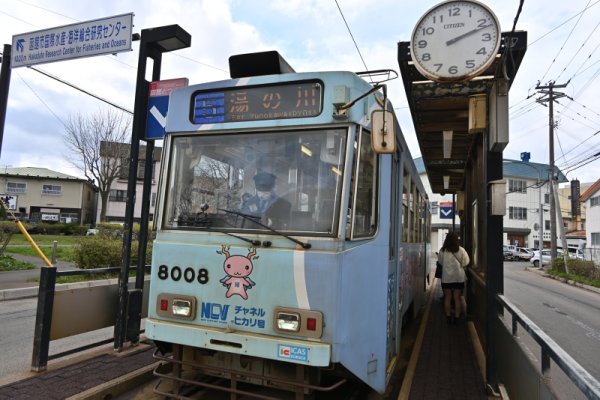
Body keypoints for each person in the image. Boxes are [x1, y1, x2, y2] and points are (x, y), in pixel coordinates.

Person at [438, 231, 470, 325]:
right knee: (457, 298)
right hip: (458, 278)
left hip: (446, 278)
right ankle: (456, 318)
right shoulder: (461, 250)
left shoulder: (442, 251)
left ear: (446, 240)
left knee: (447, 297)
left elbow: (440, 262)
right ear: (456, 240)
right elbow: (466, 262)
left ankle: (448, 317)